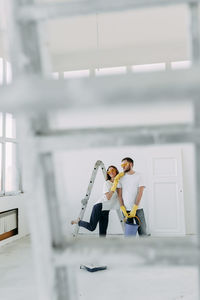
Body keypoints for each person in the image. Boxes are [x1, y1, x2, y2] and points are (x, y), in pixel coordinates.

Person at [71, 166, 124, 237]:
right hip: (99, 206)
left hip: (106, 210)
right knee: (92, 227)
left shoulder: (119, 183)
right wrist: (114, 186)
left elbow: (120, 197)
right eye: (108, 171)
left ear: (116, 171)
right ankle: (78, 222)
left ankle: (103, 247)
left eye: (112, 170)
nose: (110, 172)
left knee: (103, 233)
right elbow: (108, 197)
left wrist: (124, 211)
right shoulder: (107, 183)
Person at [118, 157, 147, 236]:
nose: (123, 166)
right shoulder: (120, 178)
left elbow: (140, 192)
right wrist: (122, 208)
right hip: (126, 210)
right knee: (129, 235)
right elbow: (119, 195)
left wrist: (135, 207)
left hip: (138, 209)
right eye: (122, 165)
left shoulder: (139, 176)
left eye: (125, 164)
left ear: (131, 164)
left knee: (143, 232)